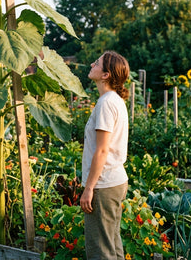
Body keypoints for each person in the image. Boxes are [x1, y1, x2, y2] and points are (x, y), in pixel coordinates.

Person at [80, 50, 130, 260]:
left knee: (101, 250)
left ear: (106, 75)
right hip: (114, 181)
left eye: (97, 63)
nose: (92, 64)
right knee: (112, 245)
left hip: (104, 185)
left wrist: (89, 188)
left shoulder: (106, 103)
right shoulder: (114, 100)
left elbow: (102, 150)